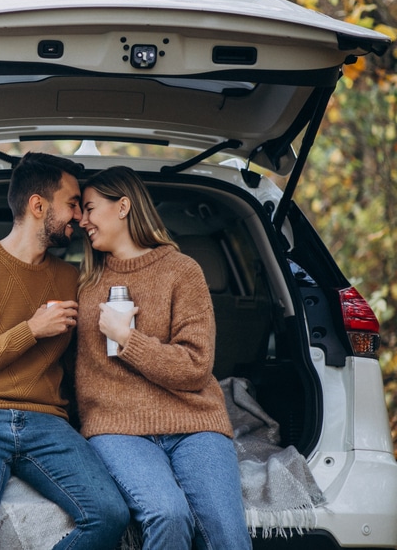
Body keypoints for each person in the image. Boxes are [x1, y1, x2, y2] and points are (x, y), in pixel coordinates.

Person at [0, 152, 129, 550]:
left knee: (110, 514)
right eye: (72, 203)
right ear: (38, 206)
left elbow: (87, 362)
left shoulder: (71, 277)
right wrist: (31, 330)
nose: (79, 216)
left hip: (46, 423)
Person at [74, 165, 250, 550]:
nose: (81, 220)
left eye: (89, 208)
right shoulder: (84, 283)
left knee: (227, 534)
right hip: (115, 427)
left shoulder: (182, 271)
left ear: (123, 206)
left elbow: (194, 366)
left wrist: (127, 339)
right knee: (168, 515)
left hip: (195, 422)